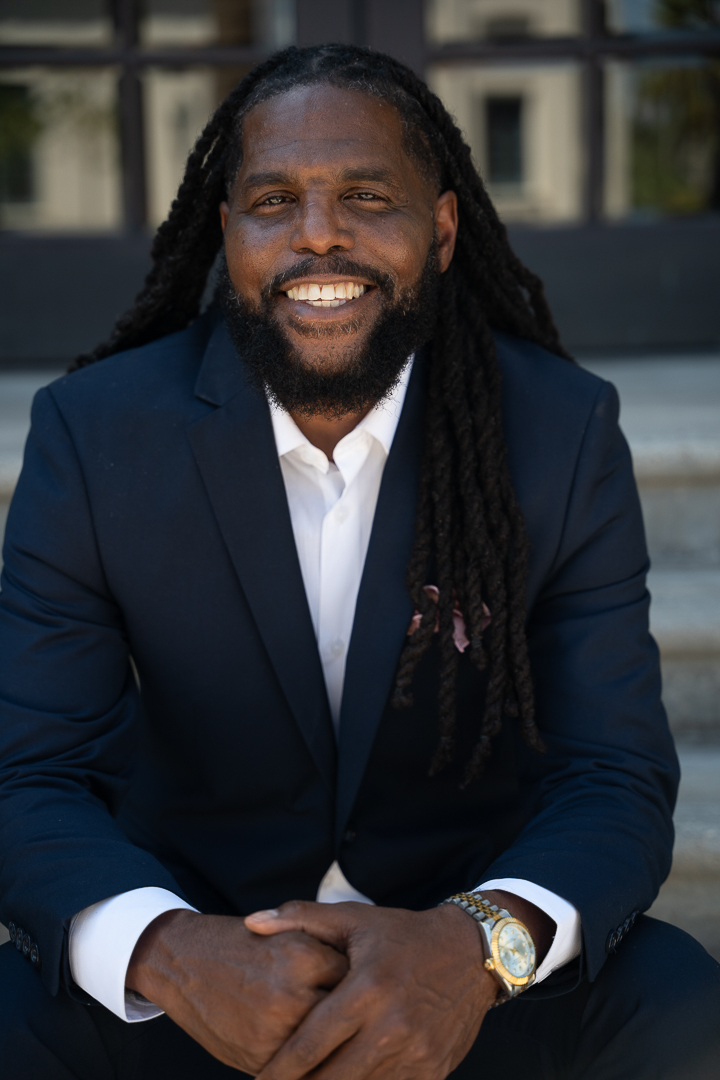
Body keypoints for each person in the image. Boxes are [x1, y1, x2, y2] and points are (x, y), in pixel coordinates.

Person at [0, 43, 718, 1080]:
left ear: (442, 230)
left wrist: (476, 949)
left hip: (456, 973)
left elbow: (613, 772)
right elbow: (31, 770)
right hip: (198, 966)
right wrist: (168, 951)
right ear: (227, 232)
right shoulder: (94, 434)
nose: (318, 233)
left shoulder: (560, 434)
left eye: (367, 196)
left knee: (683, 1009)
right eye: (274, 200)